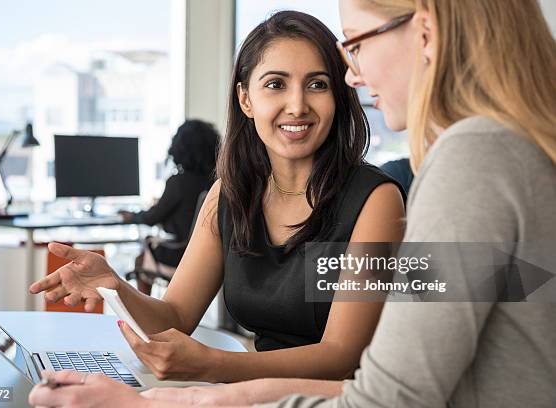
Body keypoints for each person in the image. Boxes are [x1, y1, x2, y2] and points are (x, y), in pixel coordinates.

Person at [134, 0, 556, 406]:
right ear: (246, 98)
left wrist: (208, 387)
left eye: (356, 43)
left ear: (426, 33)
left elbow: (387, 392)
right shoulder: (507, 153)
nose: (352, 76)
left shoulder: (470, 161)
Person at [27, 10, 406, 406]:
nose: (297, 105)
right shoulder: (229, 194)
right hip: (253, 396)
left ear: (338, 95)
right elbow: (175, 316)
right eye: (275, 84)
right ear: (246, 98)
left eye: (317, 84)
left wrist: (214, 366)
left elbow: (340, 356)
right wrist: (115, 286)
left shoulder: (375, 199)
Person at [119, 119, 220, 293]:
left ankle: (144, 314)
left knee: (141, 260)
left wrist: (132, 216)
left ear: (180, 147)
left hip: (178, 255)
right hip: (205, 255)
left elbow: (153, 217)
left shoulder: (178, 182)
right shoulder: (216, 182)